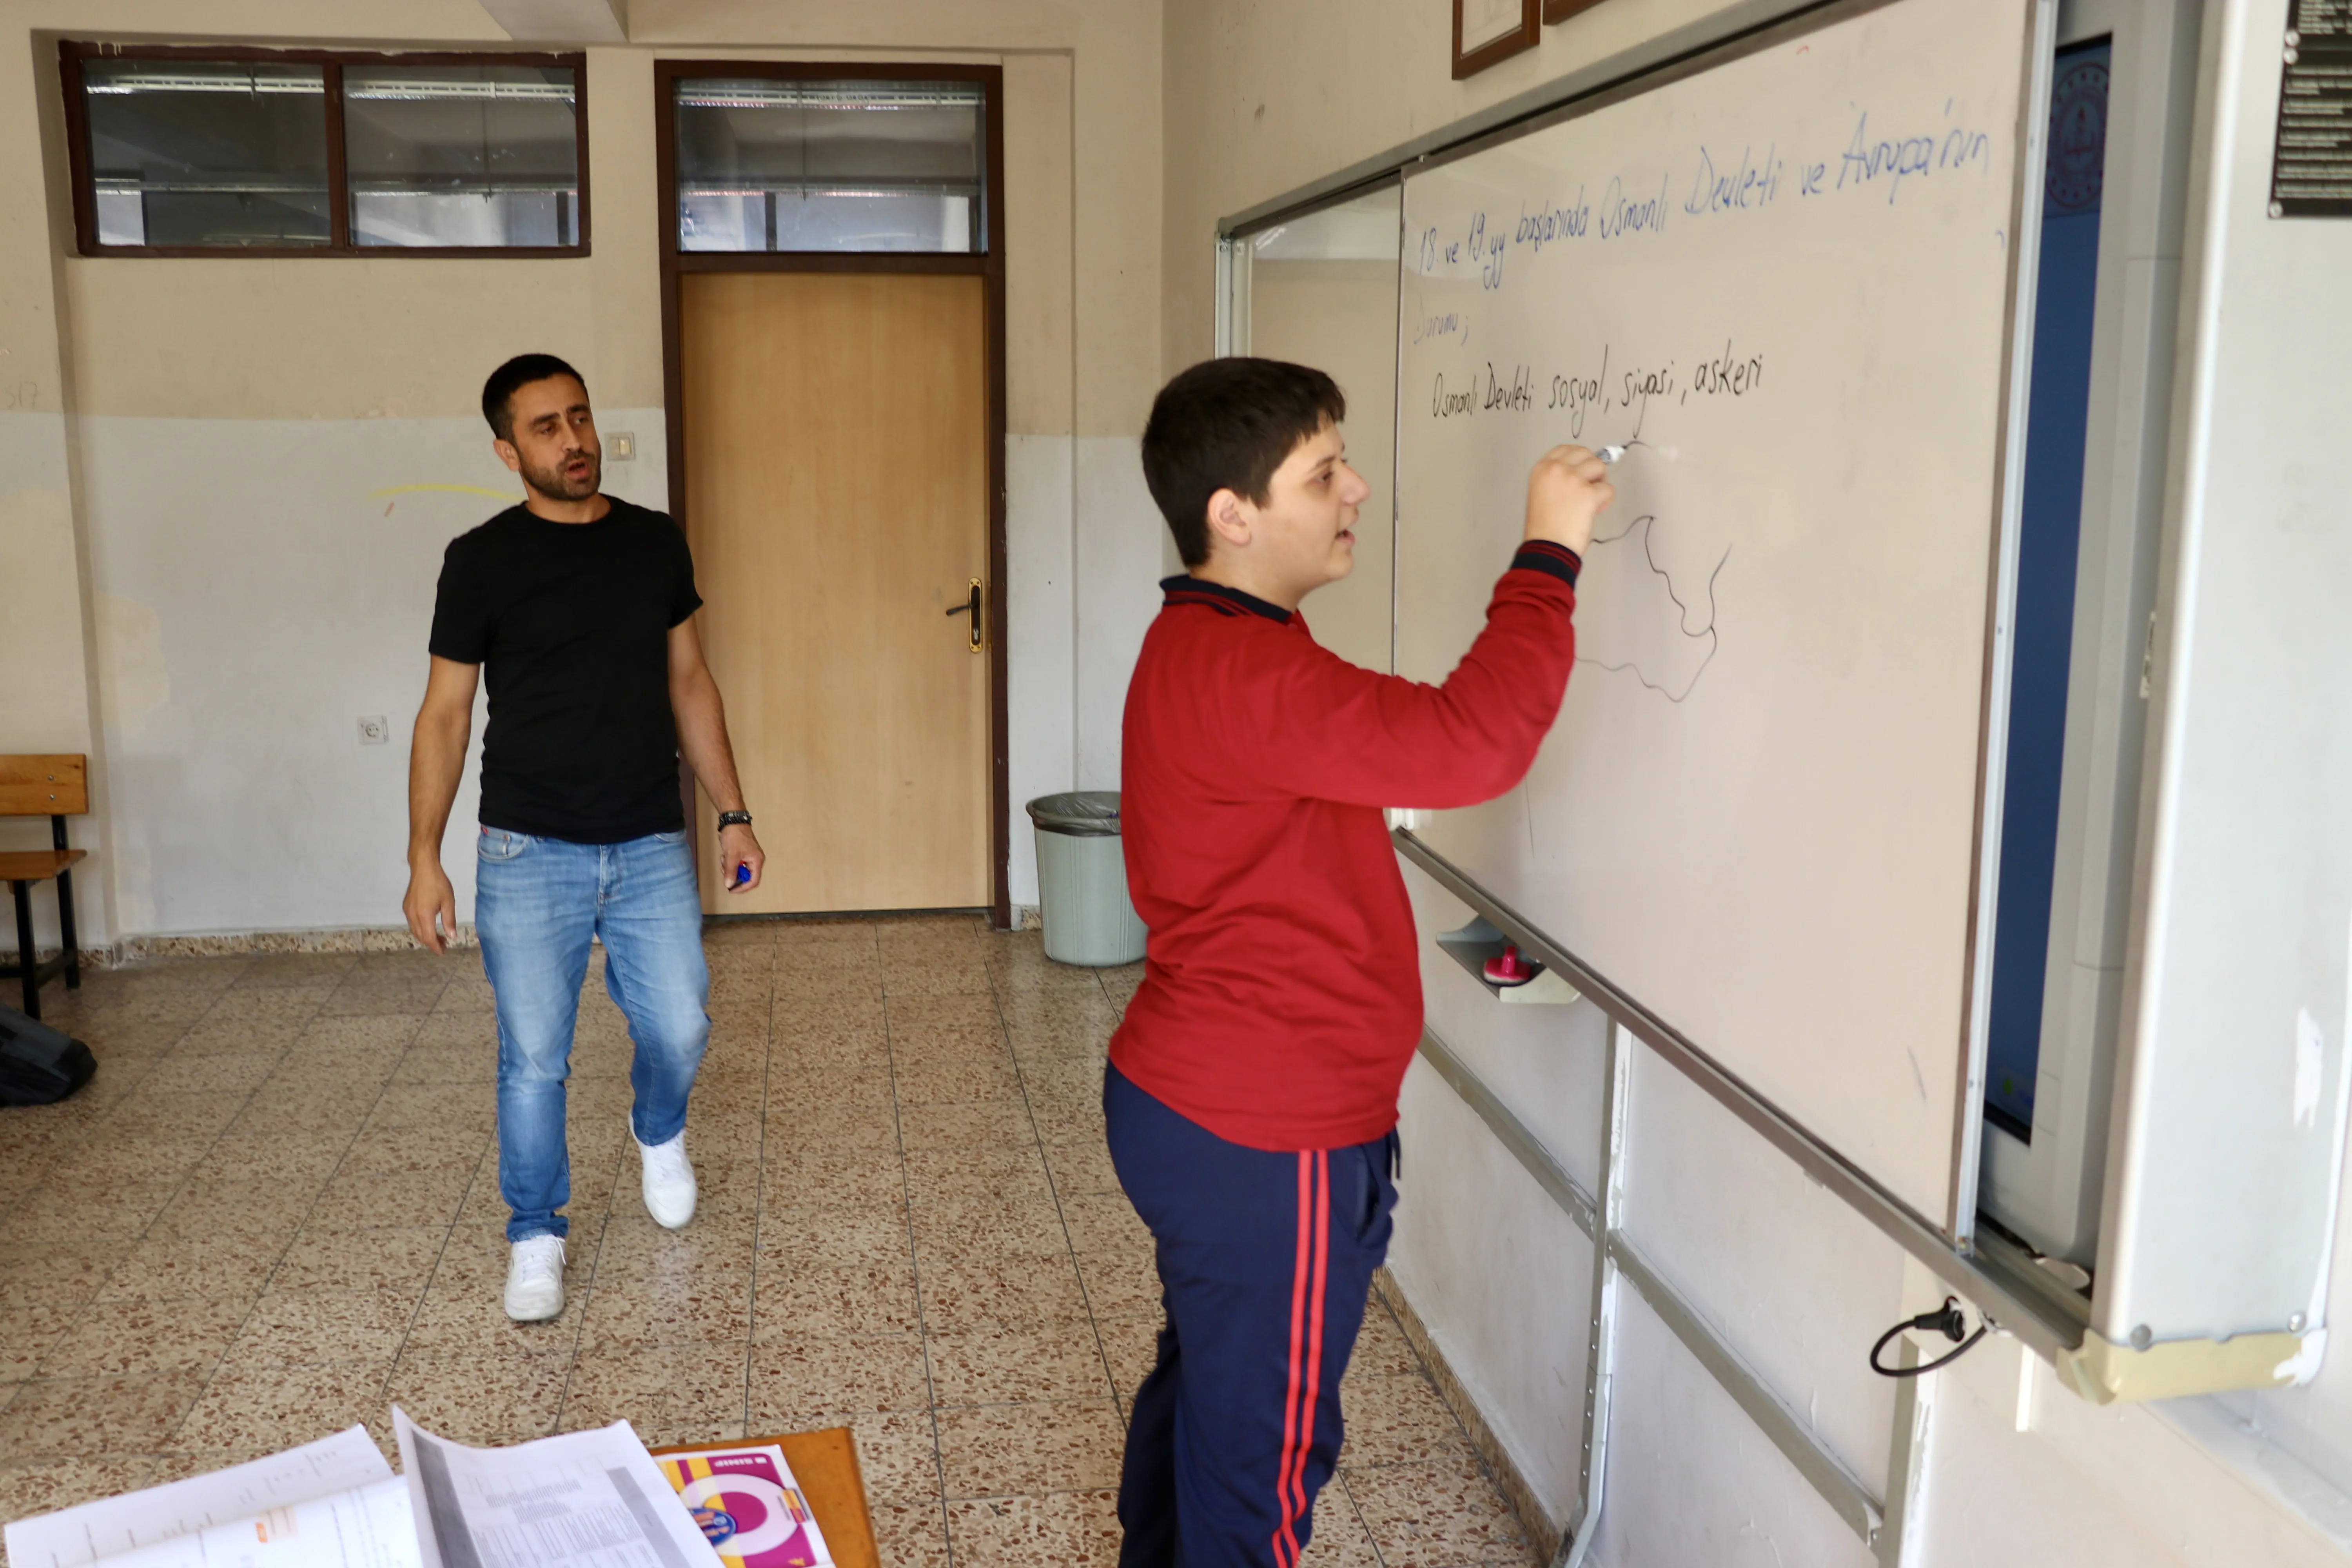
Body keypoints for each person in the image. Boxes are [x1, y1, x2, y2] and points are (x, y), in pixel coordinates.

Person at [1108, 357, 1610, 1568]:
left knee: (1209, 1404)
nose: (1358, 490)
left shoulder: (1216, 637)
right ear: (1233, 516)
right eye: (1323, 473)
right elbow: (1473, 742)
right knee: (1262, 1463)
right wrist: (1549, 557)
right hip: (1263, 1137)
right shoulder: (1250, 669)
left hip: (1205, 1106)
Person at [402, 353, 766, 1322]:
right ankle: (535, 1232)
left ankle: (658, 1127)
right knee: (533, 1056)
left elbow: (689, 680)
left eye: (580, 417)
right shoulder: (479, 558)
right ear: (506, 448)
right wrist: (422, 857)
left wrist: (732, 809)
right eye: (546, 427)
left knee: (681, 1022)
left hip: (648, 837)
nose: (574, 441)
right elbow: (444, 714)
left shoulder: (652, 543)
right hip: (527, 848)